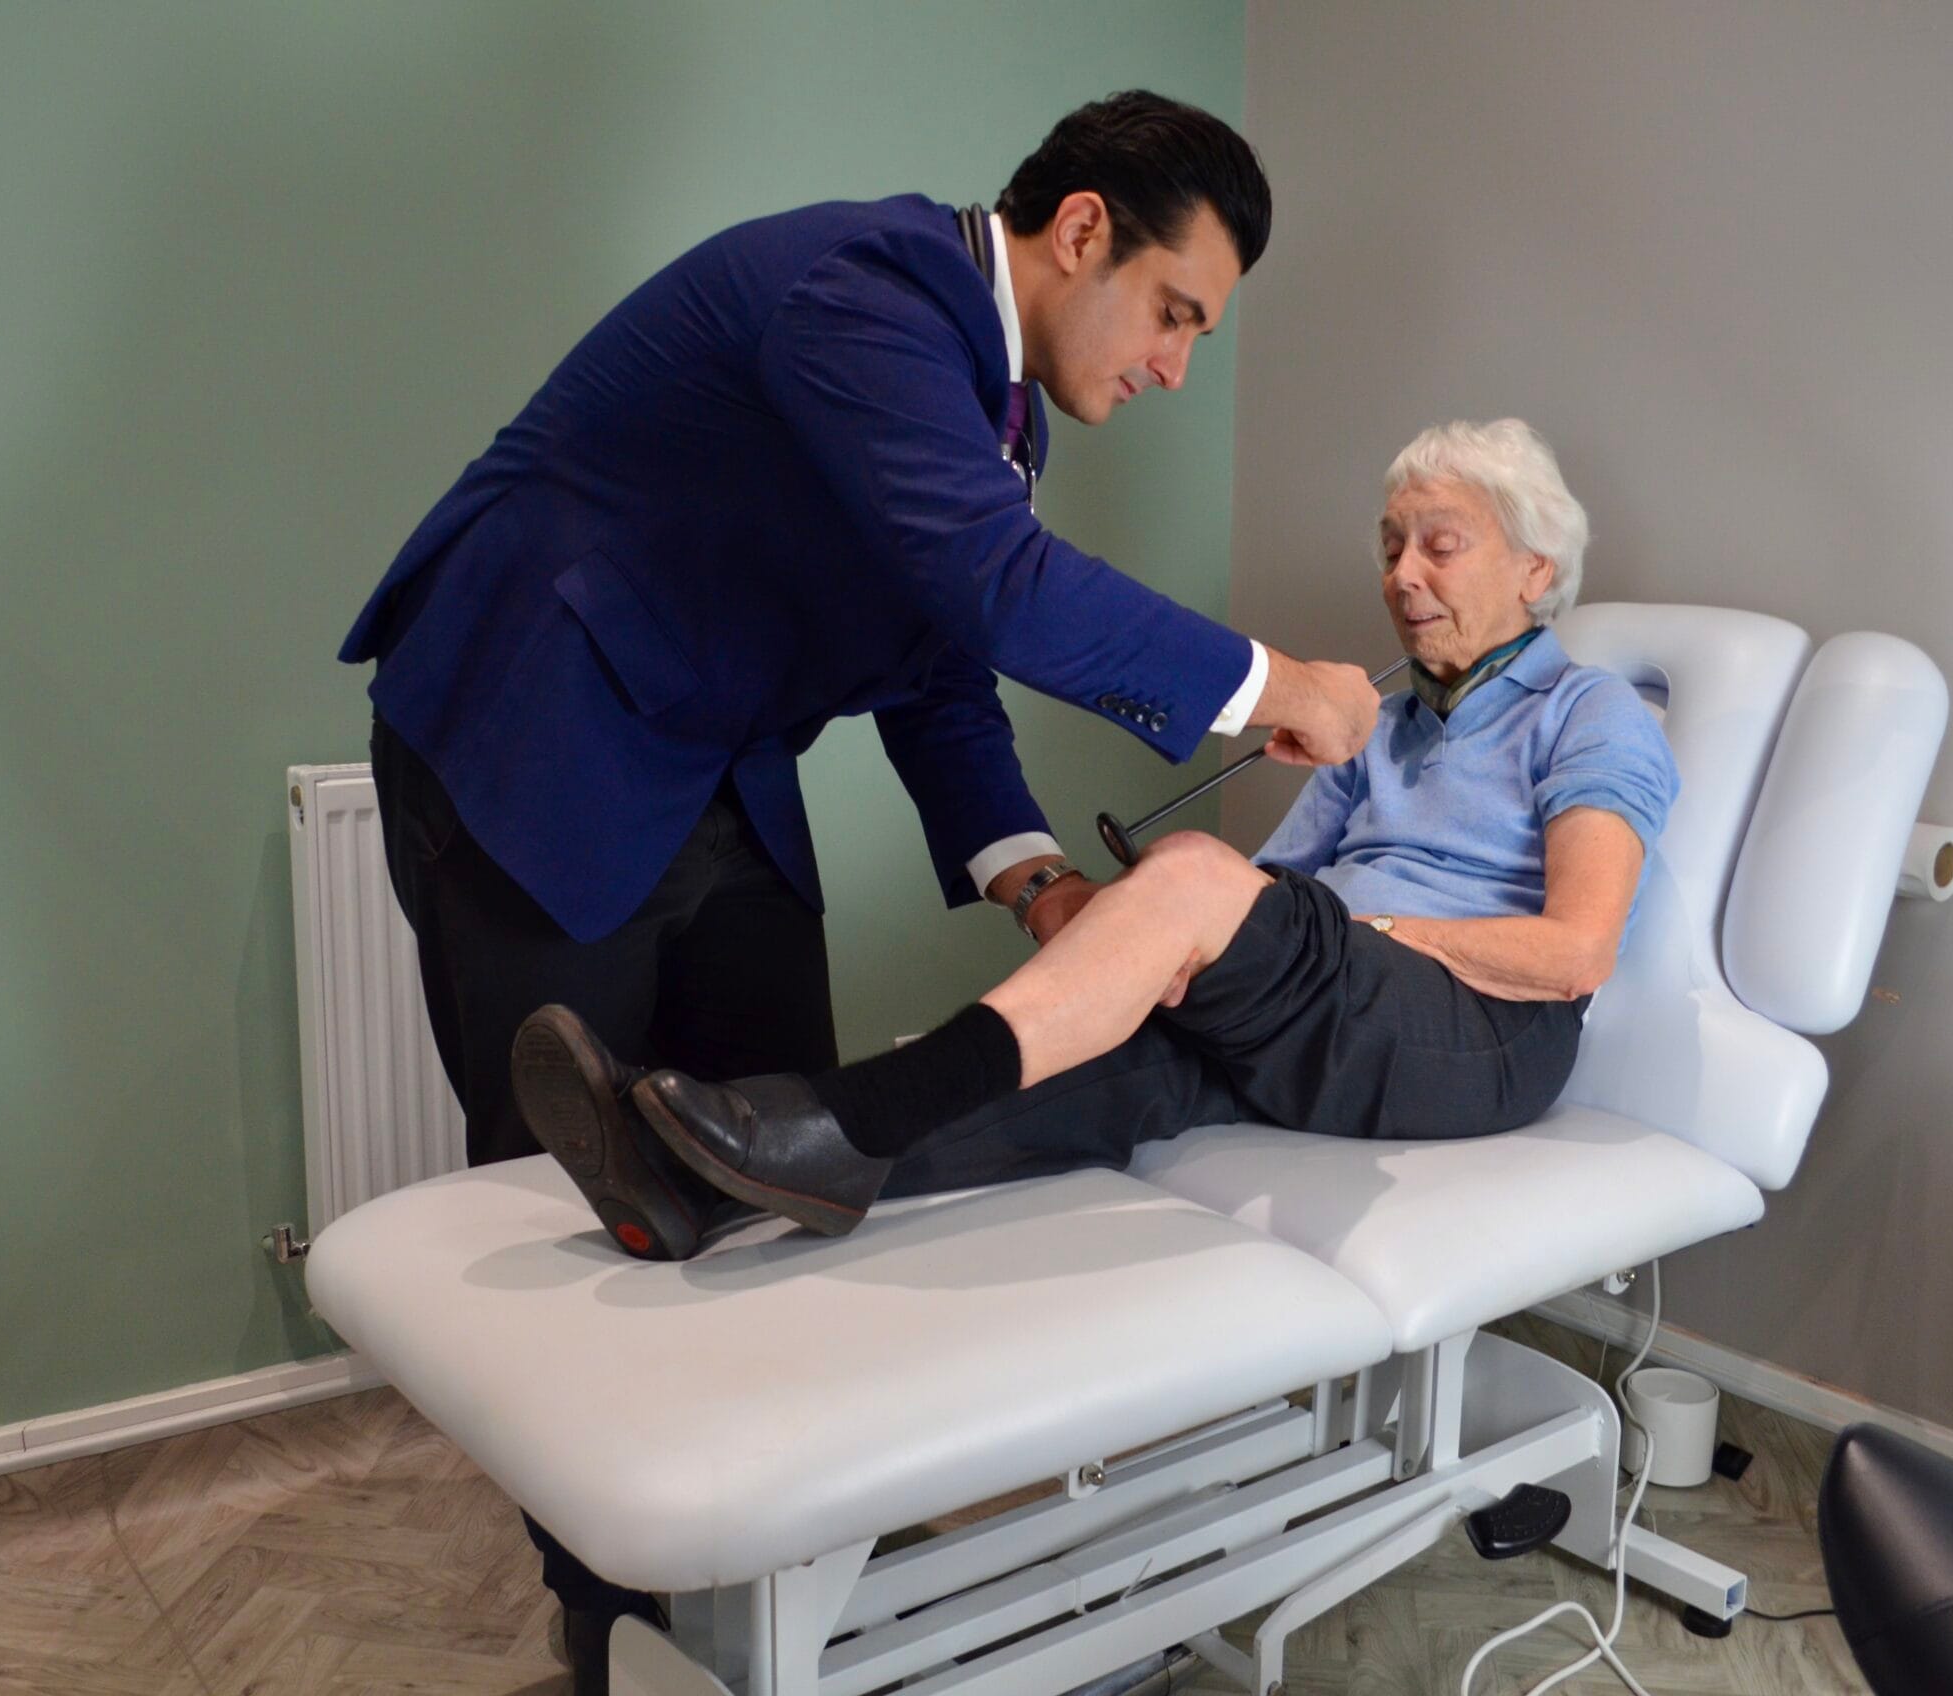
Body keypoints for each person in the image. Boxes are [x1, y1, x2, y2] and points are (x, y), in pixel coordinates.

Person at [341, 92, 1383, 1689]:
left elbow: (943, 663)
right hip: (537, 721)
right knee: (577, 1205)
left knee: (788, 1152)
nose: (1177, 366)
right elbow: (1001, 590)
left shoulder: (995, 417)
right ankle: (613, 1620)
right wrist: (1268, 683)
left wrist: (1040, 885)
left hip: (716, 755)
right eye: (1176, 313)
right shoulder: (868, 294)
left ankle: (785, 1568)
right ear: (1083, 231)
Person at [515, 419, 1680, 1258]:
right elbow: (1269, 896)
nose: (1400, 575)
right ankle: (713, 1175)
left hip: (1483, 1038)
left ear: (1535, 568)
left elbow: (1575, 953)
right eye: (1388, 545)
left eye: (1438, 543)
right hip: (1337, 1008)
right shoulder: (1382, 720)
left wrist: (1345, 929)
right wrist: (1161, 941)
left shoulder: (1589, 712)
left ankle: (788, 1129)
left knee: (1189, 873)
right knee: (1086, 1059)